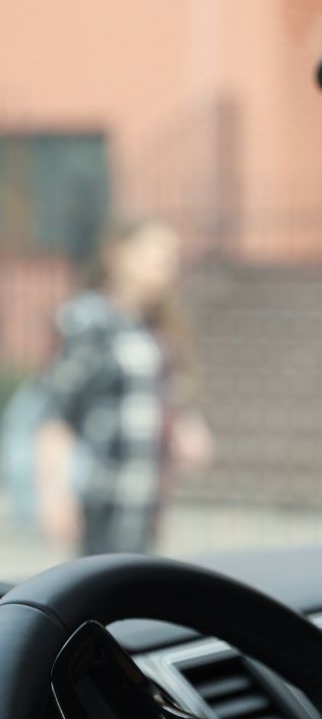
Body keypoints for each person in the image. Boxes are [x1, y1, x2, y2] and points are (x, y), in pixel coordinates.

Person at [36, 216, 214, 555]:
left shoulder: (155, 326)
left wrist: (187, 426)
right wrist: (54, 495)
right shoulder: (88, 320)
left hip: (146, 497)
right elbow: (56, 413)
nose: (166, 266)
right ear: (118, 255)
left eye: (171, 257)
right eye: (156, 255)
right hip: (101, 496)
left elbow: (165, 395)